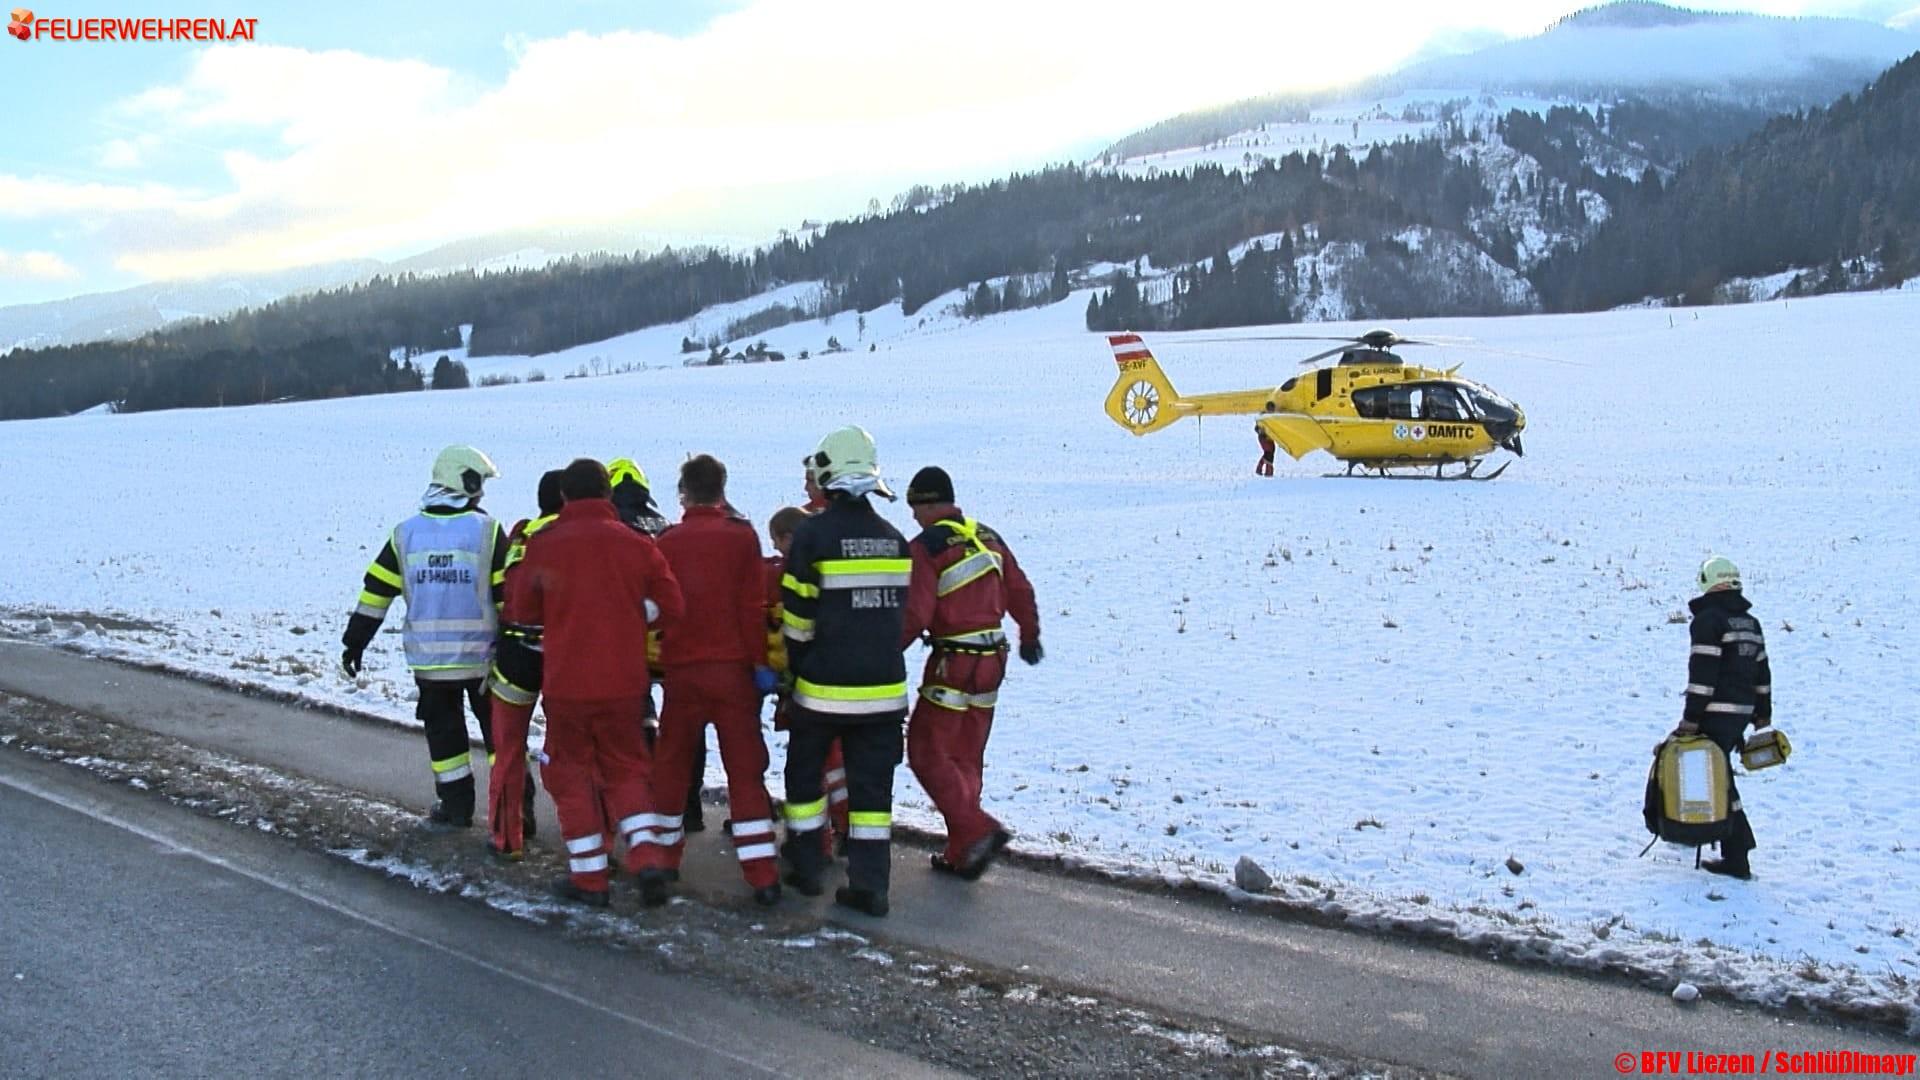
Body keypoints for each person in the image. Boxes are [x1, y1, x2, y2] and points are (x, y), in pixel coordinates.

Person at [508, 458, 685, 907]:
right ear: (608, 494)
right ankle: (646, 857)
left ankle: (590, 879)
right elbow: (672, 605)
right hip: (625, 682)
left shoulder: (544, 544)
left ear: (565, 497)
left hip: (568, 683)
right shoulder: (636, 543)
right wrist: (631, 618)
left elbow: (523, 612)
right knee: (627, 769)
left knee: (569, 774)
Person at [779, 426, 910, 917]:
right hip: (884, 693)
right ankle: (871, 886)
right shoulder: (894, 540)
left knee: (805, 779)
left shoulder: (812, 535)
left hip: (823, 692)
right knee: (873, 795)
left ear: (827, 475)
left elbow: (797, 620)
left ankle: (808, 867)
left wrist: (794, 672)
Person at [341, 445, 508, 828]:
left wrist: (355, 641)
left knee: (445, 740)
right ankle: (514, 812)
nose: (482, 491)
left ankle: (455, 808)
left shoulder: (406, 534)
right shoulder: (488, 531)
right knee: (502, 741)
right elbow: (507, 597)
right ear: (464, 480)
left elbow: (376, 592)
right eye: (478, 482)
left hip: (431, 665)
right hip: (484, 661)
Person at [645, 455, 783, 906]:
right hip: (734, 673)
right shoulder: (742, 538)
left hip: (683, 673)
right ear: (722, 489)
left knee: (671, 766)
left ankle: (663, 861)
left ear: (683, 491)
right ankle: (762, 873)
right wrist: (761, 664)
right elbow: (751, 607)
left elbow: (658, 609)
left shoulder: (668, 541)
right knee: (745, 771)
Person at [900, 466, 1041, 880]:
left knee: (926, 752)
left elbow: (916, 612)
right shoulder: (989, 535)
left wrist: (888, 652)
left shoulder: (926, 547)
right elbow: (1020, 589)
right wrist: (1029, 635)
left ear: (929, 504)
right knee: (966, 754)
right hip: (993, 659)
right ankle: (962, 850)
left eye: (915, 508)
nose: (913, 517)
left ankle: (979, 829)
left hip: (953, 662)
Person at [608, 456, 703, 830]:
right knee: (685, 729)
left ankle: (640, 805)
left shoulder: (612, 526)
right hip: (670, 638)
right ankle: (689, 807)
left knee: (633, 721)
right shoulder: (662, 523)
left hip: (628, 642)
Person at [483, 468, 565, 860]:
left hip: (514, 651)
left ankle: (506, 838)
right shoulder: (571, 537)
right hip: (561, 651)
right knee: (571, 747)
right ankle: (586, 841)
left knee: (508, 748)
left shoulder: (521, 533)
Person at [1677, 554, 1773, 880]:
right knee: (1720, 776)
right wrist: (1762, 712)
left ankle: (1736, 853)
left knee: (1718, 780)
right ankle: (1727, 845)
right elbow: (1762, 670)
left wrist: (1691, 719)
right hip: (1741, 712)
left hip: (1715, 711)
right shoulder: (1750, 623)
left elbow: (1703, 674)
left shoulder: (1708, 621)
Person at [764, 506, 850, 850]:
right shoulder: (830, 570)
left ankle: (817, 842)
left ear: (787, 539)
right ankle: (845, 828)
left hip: (803, 684)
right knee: (836, 762)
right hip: (837, 681)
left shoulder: (787, 574)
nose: (775, 549)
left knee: (813, 767)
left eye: (776, 542)